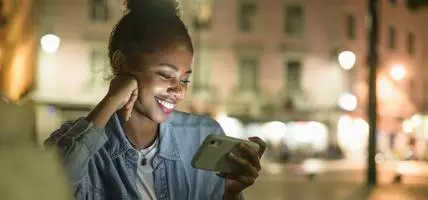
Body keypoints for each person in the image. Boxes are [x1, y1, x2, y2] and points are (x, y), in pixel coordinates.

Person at [44, 0, 266, 199]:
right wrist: (111, 100)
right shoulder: (75, 146)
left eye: (185, 80)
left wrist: (230, 193)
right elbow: (48, 188)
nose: (178, 91)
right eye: (165, 75)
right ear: (121, 63)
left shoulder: (202, 134)